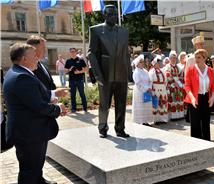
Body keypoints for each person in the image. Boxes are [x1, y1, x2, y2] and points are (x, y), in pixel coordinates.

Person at [3, 43, 66, 184]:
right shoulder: (21, 77)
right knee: (29, 172)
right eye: (34, 55)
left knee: (33, 170)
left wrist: (53, 98)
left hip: (30, 132)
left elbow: (39, 96)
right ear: (24, 59)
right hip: (28, 134)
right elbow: (38, 106)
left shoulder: (21, 73)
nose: (38, 58)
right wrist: (58, 110)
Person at [88, 4, 130, 138]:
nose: (114, 17)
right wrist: (97, 75)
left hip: (121, 74)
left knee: (121, 104)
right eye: (111, 14)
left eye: (115, 14)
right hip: (105, 74)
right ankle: (102, 128)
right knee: (104, 104)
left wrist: (129, 73)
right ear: (104, 15)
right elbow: (92, 54)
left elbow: (126, 54)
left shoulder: (124, 31)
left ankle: (120, 128)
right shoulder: (96, 30)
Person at [26, 35, 60, 184]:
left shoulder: (42, 64)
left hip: (46, 113)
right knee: (33, 155)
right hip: (37, 117)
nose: (45, 50)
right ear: (34, 48)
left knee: (41, 152)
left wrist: (55, 96)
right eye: (43, 48)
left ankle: (38, 178)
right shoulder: (28, 70)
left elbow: (49, 84)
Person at [184, 49, 214, 140]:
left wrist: (212, 97)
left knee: (206, 123)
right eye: (195, 57)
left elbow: (213, 86)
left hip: (206, 98)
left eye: (199, 57)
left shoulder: (210, 70)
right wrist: (192, 98)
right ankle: (196, 145)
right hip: (194, 98)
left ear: (204, 58)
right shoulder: (190, 69)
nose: (196, 59)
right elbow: (187, 86)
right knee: (195, 124)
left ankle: (207, 143)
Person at [131, 55, 154, 125]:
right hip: (139, 91)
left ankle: (146, 120)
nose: (143, 63)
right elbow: (138, 83)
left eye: (143, 62)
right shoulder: (136, 72)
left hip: (147, 91)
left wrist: (149, 87)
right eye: (141, 62)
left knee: (146, 105)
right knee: (140, 105)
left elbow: (150, 80)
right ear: (137, 63)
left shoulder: (145, 71)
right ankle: (141, 121)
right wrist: (146, 88)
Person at [64, 48, 88, 113]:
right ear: (70, 53)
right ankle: (74, 109)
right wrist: (69, 69)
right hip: (71, 81)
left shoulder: (80, 60)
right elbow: (65, 71)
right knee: (72, 95)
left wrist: (79, 72)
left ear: (76, 52)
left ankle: (85, 108)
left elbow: (86, 69)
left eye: (73, 51)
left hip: (79, 80)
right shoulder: (68, 61)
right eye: (71, 52)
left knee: (82, 94)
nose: (72, 53)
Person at [163, 51, 185, 119]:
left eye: (174, 58)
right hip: (171, 84)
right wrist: (174, 82)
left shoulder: (178, 66)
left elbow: (181, 74)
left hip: (178, 83)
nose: (173, 59)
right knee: (172, 99)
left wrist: (180, 82)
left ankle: (179, 115)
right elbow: (167, 75)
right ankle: (173, 116)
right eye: (172, 58)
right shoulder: (168, 66)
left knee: (179, 98)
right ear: (169, 58)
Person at [149, 55, 168, 123]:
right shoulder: (152, 71)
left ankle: (162, 119)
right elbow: (150, 81)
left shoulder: (162, 71)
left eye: (159, 62)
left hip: (162, 89)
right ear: (154, 63)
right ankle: (156, 120)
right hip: (156, 89)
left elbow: (165, 80)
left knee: (162, 103)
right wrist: (152, 90)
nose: (159, 64)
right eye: (157, 63)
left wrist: (164, 87)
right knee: (156, 103)